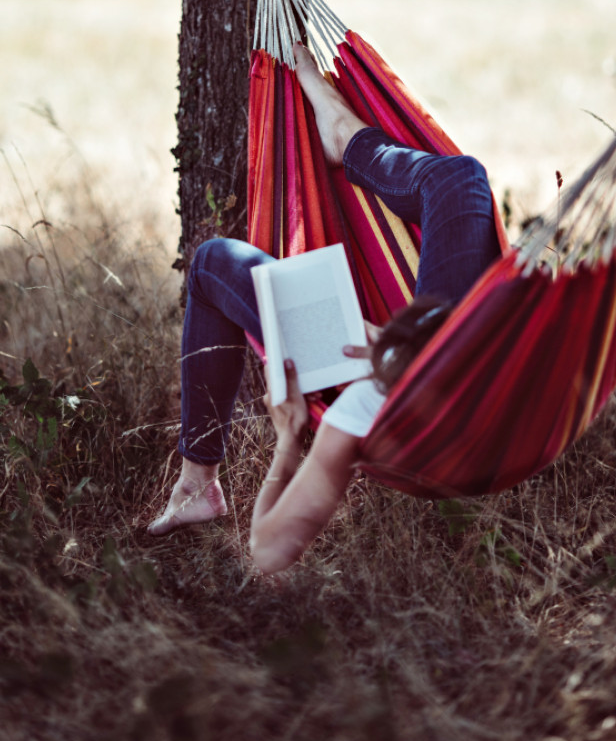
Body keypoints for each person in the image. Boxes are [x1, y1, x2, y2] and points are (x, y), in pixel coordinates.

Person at [147, 43, 502, 573]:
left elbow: (268, 548)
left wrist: (289, 442)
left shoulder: (348, 428)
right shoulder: (355, 426)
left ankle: (196, 481)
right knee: (461, 177)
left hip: (397, 364)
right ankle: (344, 137)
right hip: (448, 353)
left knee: (210, 263)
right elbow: (270, 551)